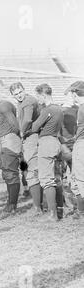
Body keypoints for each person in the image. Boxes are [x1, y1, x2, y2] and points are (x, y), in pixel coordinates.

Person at [31, 84, 64, 221]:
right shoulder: (59, 109)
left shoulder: (47, 109)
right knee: (56, 177)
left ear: (43, 95)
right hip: (56, 142)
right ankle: (59, 210)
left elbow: (34, 127)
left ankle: (53, 214)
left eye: (38, 96)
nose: (38, 99)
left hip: (46, 142)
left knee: (46, 179)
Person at [10, 82, 42, 214]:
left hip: (31, 137)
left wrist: (22, 133)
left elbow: (28, 120)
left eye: (20, 92)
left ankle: (38, 207)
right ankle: (33, 197)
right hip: (30, 138)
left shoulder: (28, 101)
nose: (19, 95)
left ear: (24, 90)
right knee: (26, 167)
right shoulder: (23, 102)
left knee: (31, 171)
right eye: (16, 94)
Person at [64, 81, 84, 220]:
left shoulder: (82, 108)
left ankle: (82, 212)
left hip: (81, 145)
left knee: (78, 180)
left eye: (72, 95)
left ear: (75, 94)